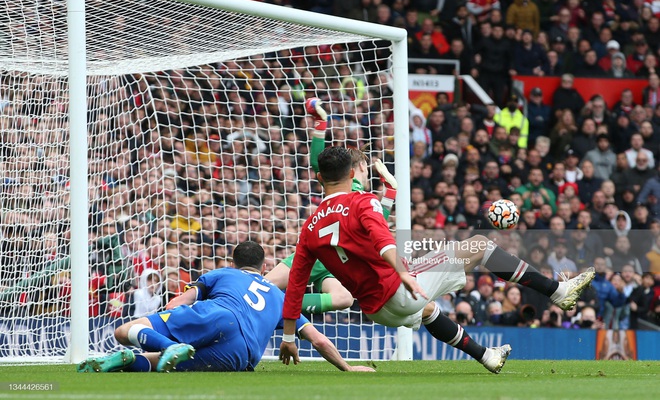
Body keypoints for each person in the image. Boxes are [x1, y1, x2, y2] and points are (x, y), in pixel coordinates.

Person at [280, 147, 595, 374]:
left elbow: (295, 283)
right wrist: (402, 272)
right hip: (397, 289)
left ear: (319, 177)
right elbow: (383, 239)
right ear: (352, 174)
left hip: (375, 310)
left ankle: (486, 356)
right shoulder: (363, 201)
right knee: (479, 245)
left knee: (429, 309)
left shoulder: (309, 227)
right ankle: (558, 292)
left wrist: (289, 335)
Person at [78, 241, 374, 373]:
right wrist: (347, 367)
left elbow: (181, 301)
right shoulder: (280, 298)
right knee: (165, 363)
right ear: (264, 267)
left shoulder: (221, 274)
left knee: (125, 330)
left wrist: (164, 317)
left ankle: (164, 345)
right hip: (241, 354)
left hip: (218, 313)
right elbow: (318, 339)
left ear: (234, 263)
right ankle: (129, 362)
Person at [266, 98, 398, 313]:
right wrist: (390, 194)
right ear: (360, 168)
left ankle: (278, 307)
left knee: (343, 298)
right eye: (366, 168)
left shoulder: (352, 191)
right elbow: (378, 226)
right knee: (264, 287)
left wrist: (390, 193)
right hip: (321, 256)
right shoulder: (353, 191)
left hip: (334, 261)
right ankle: (255, 304)